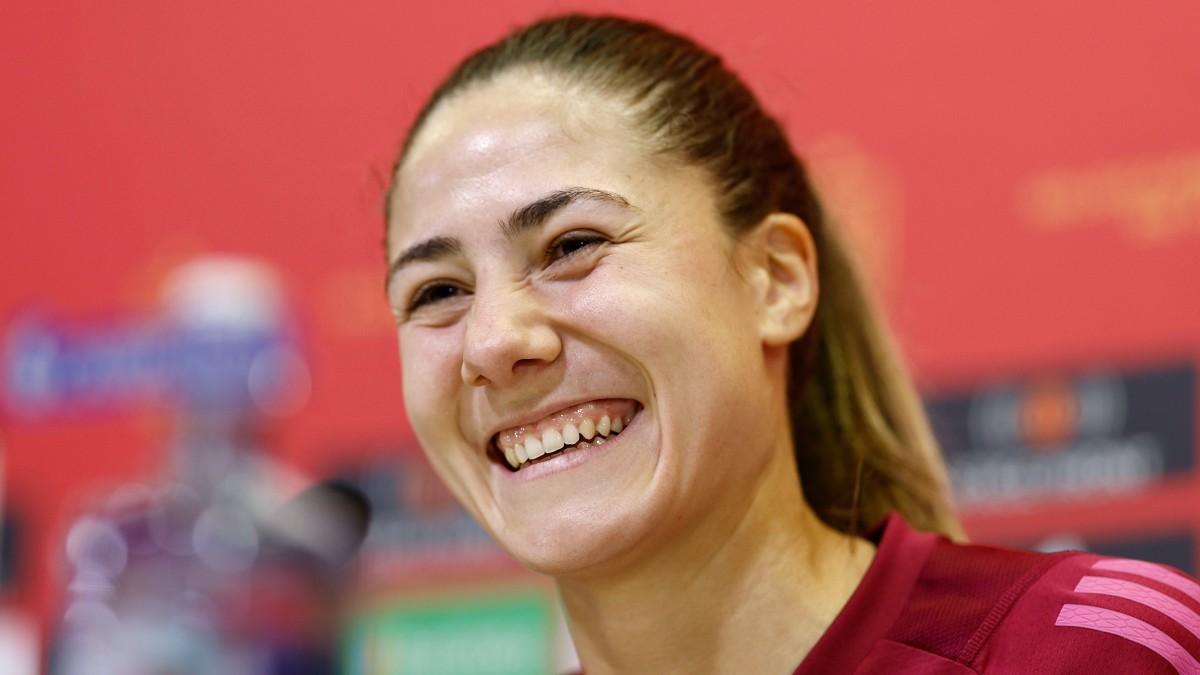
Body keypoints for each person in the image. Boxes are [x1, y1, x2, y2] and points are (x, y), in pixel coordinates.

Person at [382, 14, 1200, 674]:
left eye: (571, 245)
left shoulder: (1091, 653)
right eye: (437, 293)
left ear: (775, 279)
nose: (494, 340)